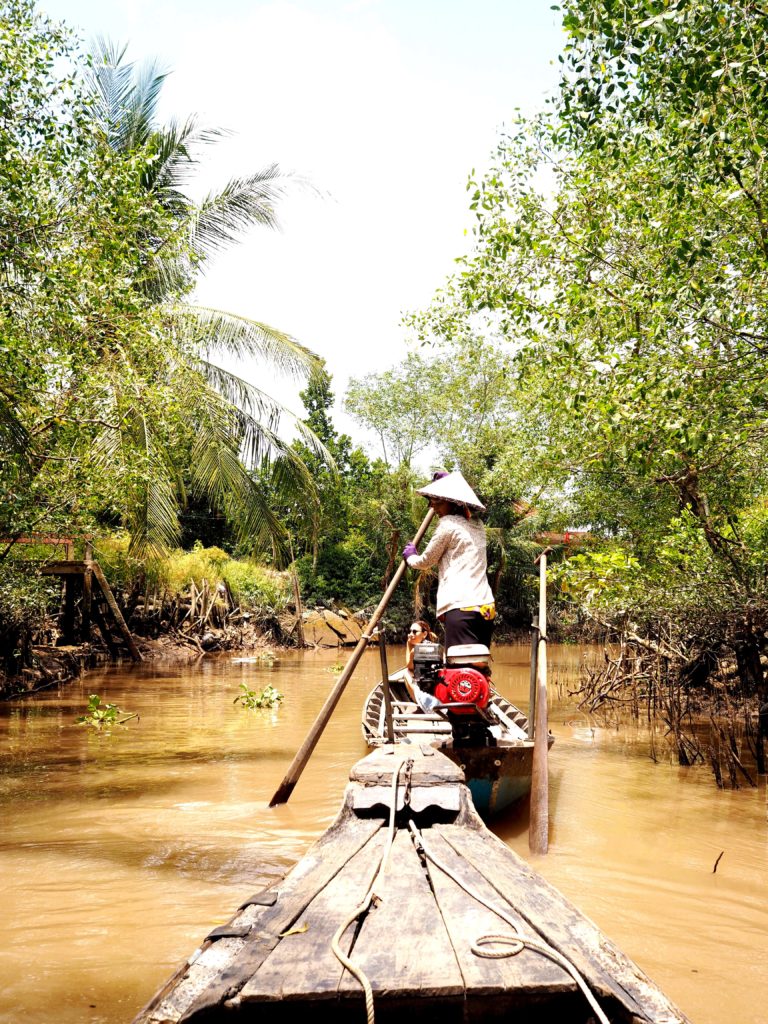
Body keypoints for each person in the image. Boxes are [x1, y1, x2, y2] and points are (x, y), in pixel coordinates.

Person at [402, 470, 495, 653]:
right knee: (479, 665)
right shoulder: (478, 526)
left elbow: (426, 561)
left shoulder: (447, 524)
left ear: (452, 502)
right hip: (486, 608)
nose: (432, 507)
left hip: (461, 606)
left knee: (458, 668)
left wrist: (410, 556)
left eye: (437, 502)